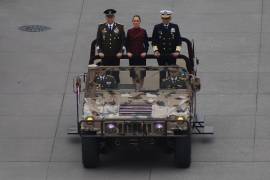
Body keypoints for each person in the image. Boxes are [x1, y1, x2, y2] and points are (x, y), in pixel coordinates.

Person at [152, 10, 182, 83]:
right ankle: (162, 88)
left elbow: (179, 41)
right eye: (164, 18)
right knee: (162, 73)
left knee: (172, 73)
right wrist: (155, 51)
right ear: (161, 18)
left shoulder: (175, 27)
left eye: (167, 18)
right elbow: (154, 42)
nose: (165, 20)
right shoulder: (157, 27)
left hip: (171, 54)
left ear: (170, 18)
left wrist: (177, 51)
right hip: (161, 54)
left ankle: (172, 89)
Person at [96, 9, 125, 83]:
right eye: (108, 17)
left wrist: (121, 52)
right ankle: (106, 90)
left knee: (115, 74)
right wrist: (99, 51)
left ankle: (116, 89)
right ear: (106, 18)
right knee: (105, 73)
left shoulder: (120, 27)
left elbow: (123, 42)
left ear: (114, 17)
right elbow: (98, 41)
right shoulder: (101, 27)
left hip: (116, 56)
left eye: (111, 17)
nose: (110, 18)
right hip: (105, 56)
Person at [126, 15, 149, 90]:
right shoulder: (129, 31)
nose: (136, 22)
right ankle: (134, 89)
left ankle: (141, 89)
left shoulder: (143, 31)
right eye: (134, 21)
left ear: (140, 22)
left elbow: (146, 44)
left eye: (137, 21)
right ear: (132, 22)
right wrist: (128, 52)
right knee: (133, 74)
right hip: (132, 56)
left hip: (141, 55)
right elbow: (127, 44)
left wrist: (145, 52)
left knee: (142, 74)